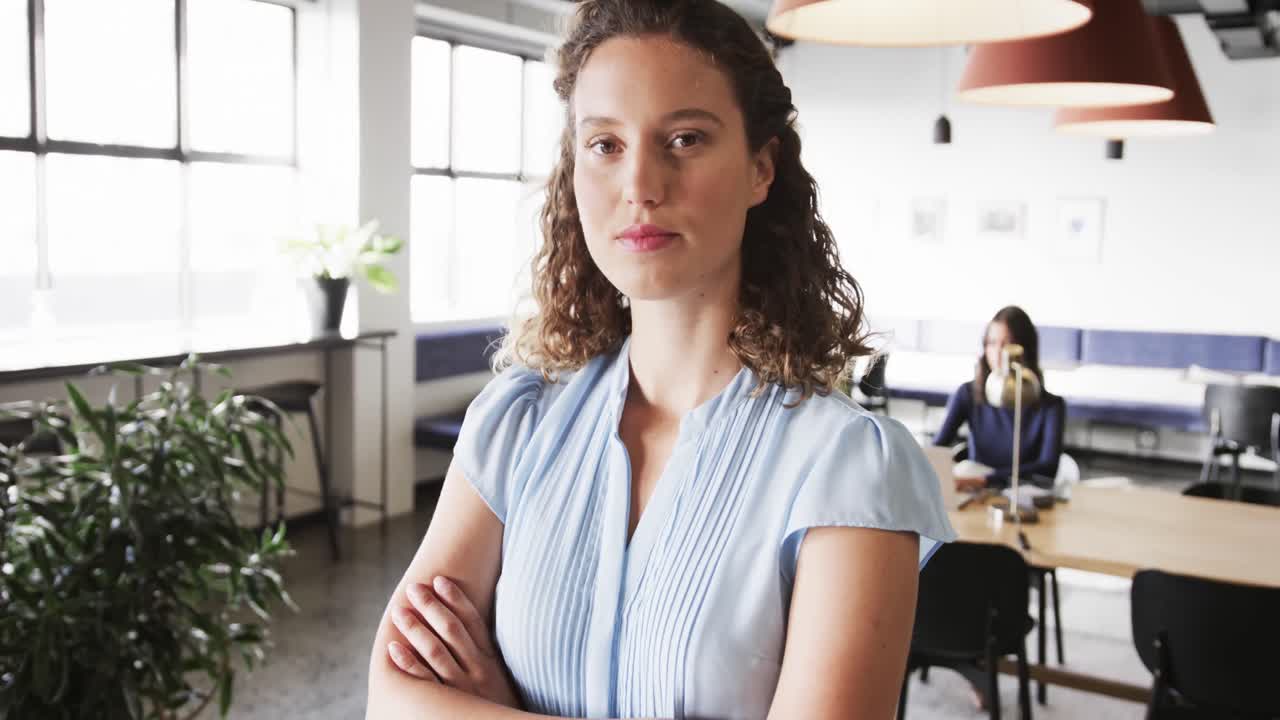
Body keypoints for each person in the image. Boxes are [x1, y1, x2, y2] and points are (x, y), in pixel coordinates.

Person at [365, 2, 955, 718]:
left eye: (684, 138)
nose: (640, 184)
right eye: (605, 145)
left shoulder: (849, 469)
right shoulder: (516, 423)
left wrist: (498, 704)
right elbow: (396, 700)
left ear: (760, 168)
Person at [933, 306, 1066, 492]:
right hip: (976, 494)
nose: (997, 352)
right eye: (992, 343)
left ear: (1025, 349)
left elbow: (1047, 468)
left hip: (1022, 493)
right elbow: (937, 449)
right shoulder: (967, 393)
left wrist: (986, 480)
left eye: (1007, 343)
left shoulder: (1052, 407)